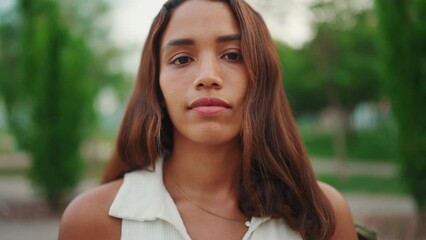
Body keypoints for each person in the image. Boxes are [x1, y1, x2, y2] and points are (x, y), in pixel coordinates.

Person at [58, 0, 357, 239]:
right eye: (182, 59)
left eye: (232, 55)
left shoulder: (322, 215)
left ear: (262, 78)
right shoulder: (94, 220)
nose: (208, 77)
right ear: (156, 87)